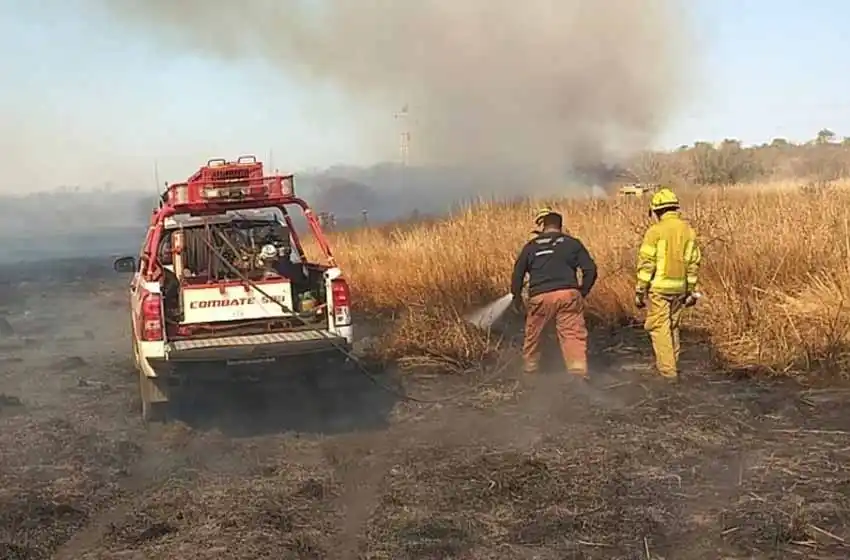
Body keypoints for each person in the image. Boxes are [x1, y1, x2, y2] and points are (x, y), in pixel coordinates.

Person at [511, 207, 598, 377]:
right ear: (560, 226)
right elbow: (590, 269)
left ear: (543, 226)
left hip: (540, 297)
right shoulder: (572, 243)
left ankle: (530, 371)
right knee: (573, 334)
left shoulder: (531, 247)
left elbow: (518, 274)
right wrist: (582, 291)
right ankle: (578, 371)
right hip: (568, 295)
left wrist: (516, 297)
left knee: (534, 335)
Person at [634, 188, 702, 380]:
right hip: (680, 289)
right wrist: (691, 290)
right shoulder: (688, 231)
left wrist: (640, 290)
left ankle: (668, 374)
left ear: (656, 211)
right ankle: (672, 363)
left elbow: (647, 264)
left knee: (659, 328)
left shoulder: (655, 232)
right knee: (672, 327)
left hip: (659, 289)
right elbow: (693, 264)